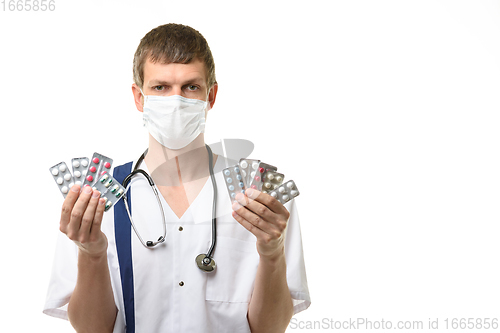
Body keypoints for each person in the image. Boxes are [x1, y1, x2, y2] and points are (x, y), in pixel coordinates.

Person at [44, 23, 310, 333]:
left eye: (190, 87)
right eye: (160, 87)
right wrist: (91, 254)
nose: (176, 101)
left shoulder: (261, 198)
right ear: (139, 97)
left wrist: (272, 253)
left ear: (210, 96)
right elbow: (93, 329)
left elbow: (270, 329)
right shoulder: (96, 200)